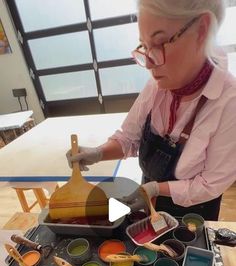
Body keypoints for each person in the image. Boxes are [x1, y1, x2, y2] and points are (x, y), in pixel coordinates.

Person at [67, 0, 236, 221]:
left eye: (159, 43)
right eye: (145, 47)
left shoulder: (228, 101)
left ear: (201, 31)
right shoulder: (159, 84)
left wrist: (156, 189)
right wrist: (98, 153)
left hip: (193, 213)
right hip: (147, 195)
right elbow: (129, 138)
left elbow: (210, 184)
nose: (148, 63)